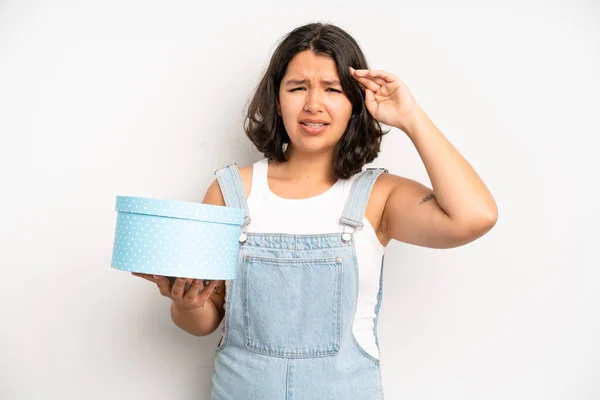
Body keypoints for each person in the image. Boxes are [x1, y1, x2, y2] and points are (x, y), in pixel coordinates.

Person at [132, 22, 498, 399]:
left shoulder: (379, 197)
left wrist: (411, 117)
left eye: (333, 89)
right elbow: (206, 319)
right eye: (298, 87)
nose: (313, 104)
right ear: (276, 99)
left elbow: (475, 216)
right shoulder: (231, 191)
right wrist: (185, 304)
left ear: (356, 102)